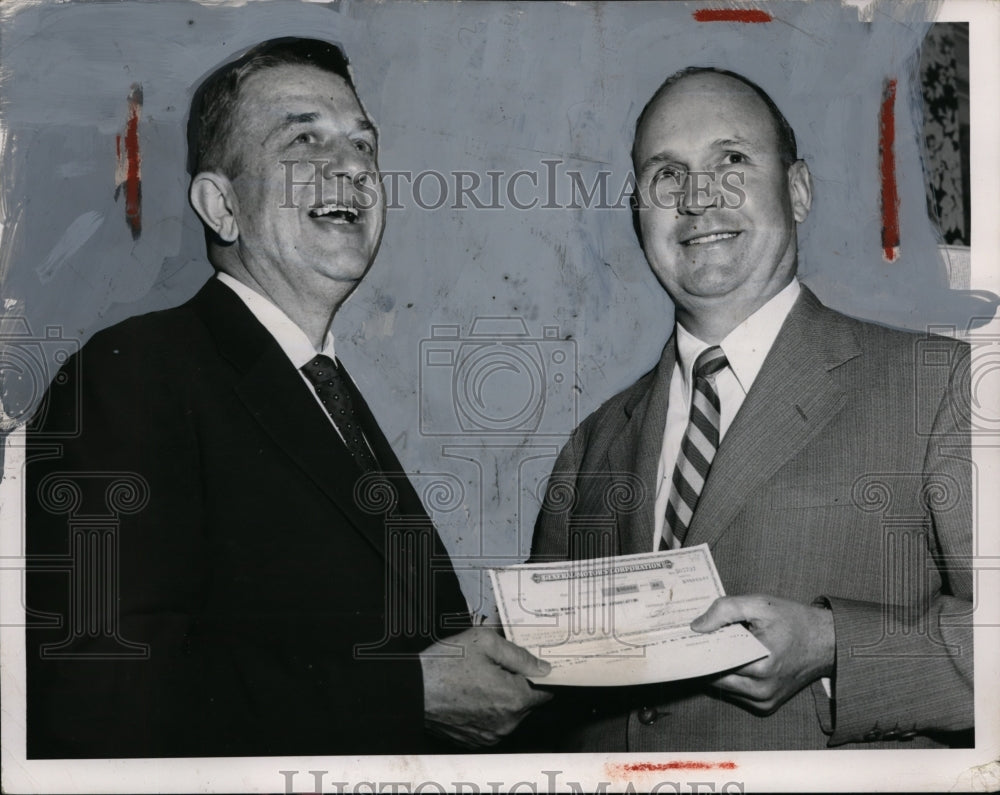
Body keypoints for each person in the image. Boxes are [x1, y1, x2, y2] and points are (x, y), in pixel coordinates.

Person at [25, 37, 550, 758]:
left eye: (364, 145)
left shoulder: (324, 392)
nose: (351, 168)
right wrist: (411, 693)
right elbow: (96, 696)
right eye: (305, 138)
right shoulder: (131, 374)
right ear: (221, 205)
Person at [529, 67, 973, 751]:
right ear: (637, 212)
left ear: (797, 190)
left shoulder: (937, 387)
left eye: (731, 159)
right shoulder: (589, 447)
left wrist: (836, 647)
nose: (698, 198)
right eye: (665, 174)